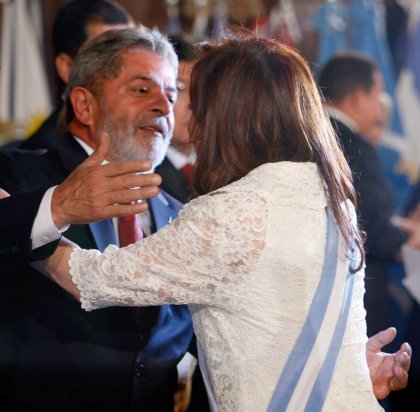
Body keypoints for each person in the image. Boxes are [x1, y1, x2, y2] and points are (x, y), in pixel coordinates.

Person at [39, 30, 411, 411]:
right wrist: (345, 368)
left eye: (196, 103)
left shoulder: (229, 213)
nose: (187, 116)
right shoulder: (332, 198)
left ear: (225, 115)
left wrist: (24, 212)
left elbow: (91, 279)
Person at [0, 26, 197, 411]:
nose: (163, 106)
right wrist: (57, 207)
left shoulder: (180, 212)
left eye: (171, 94)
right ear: (84, 105)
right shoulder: (17, 175)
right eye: (143, 89)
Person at [317, 52, 420, 338]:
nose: (379, 109)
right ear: (358, 97)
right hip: (352, 302)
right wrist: (407, 238)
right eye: (378, 95)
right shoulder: (354, 147)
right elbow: (369, 228)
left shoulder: (307, 136)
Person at [18, 0, 134, 151]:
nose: (125, 71)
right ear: (66, 68)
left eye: (131, 55)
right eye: (107, 58)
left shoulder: (145, 138)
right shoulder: (39, 159)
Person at [155, 35, 198, 203]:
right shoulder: (147, 173)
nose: (193, 103)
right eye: (179, 88)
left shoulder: (224, 165)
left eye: (200, 89)